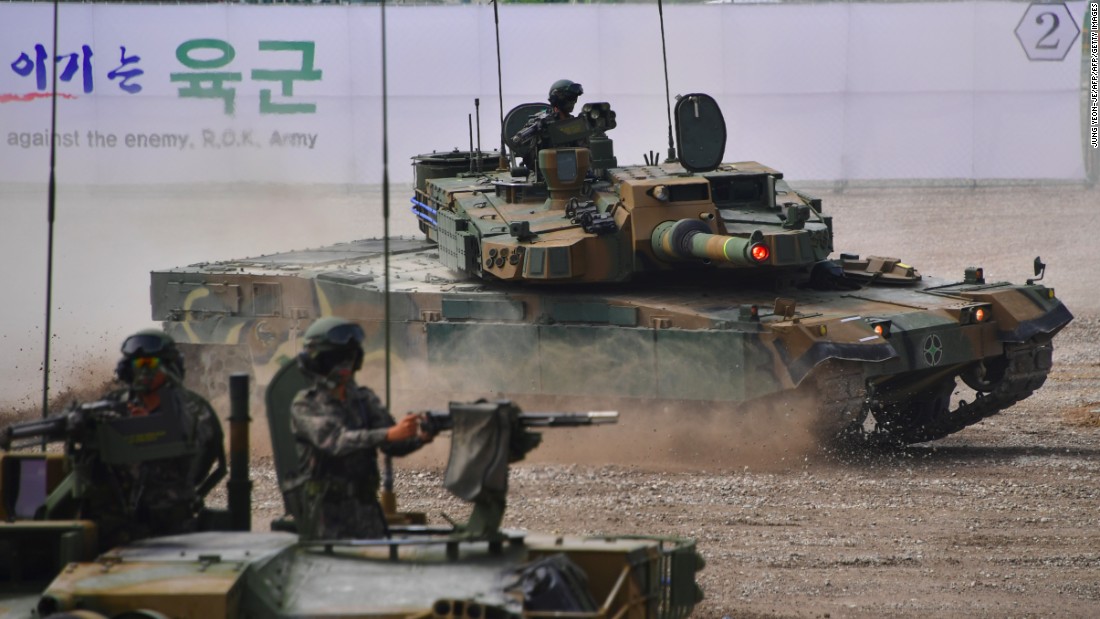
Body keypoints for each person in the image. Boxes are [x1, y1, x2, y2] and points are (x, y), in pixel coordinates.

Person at [286, 317, 431, 540]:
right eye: (336, 359)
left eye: (349, 358)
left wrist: (421, 435)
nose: (344, 366)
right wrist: (389, 434)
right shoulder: (306, 405)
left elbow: (393, 446)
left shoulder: (363, 400)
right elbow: (336, 442)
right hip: (326, 516)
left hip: (367, 513)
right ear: (319, 362)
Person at [79, 329, 226, 548]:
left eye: (151, 363)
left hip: (169, 529)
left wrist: (148, 427)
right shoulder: (112, 406)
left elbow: (196, 461)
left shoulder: (193, 410)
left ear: (169, 367)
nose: (144, 371)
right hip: (111, 530)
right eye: (138, 364)